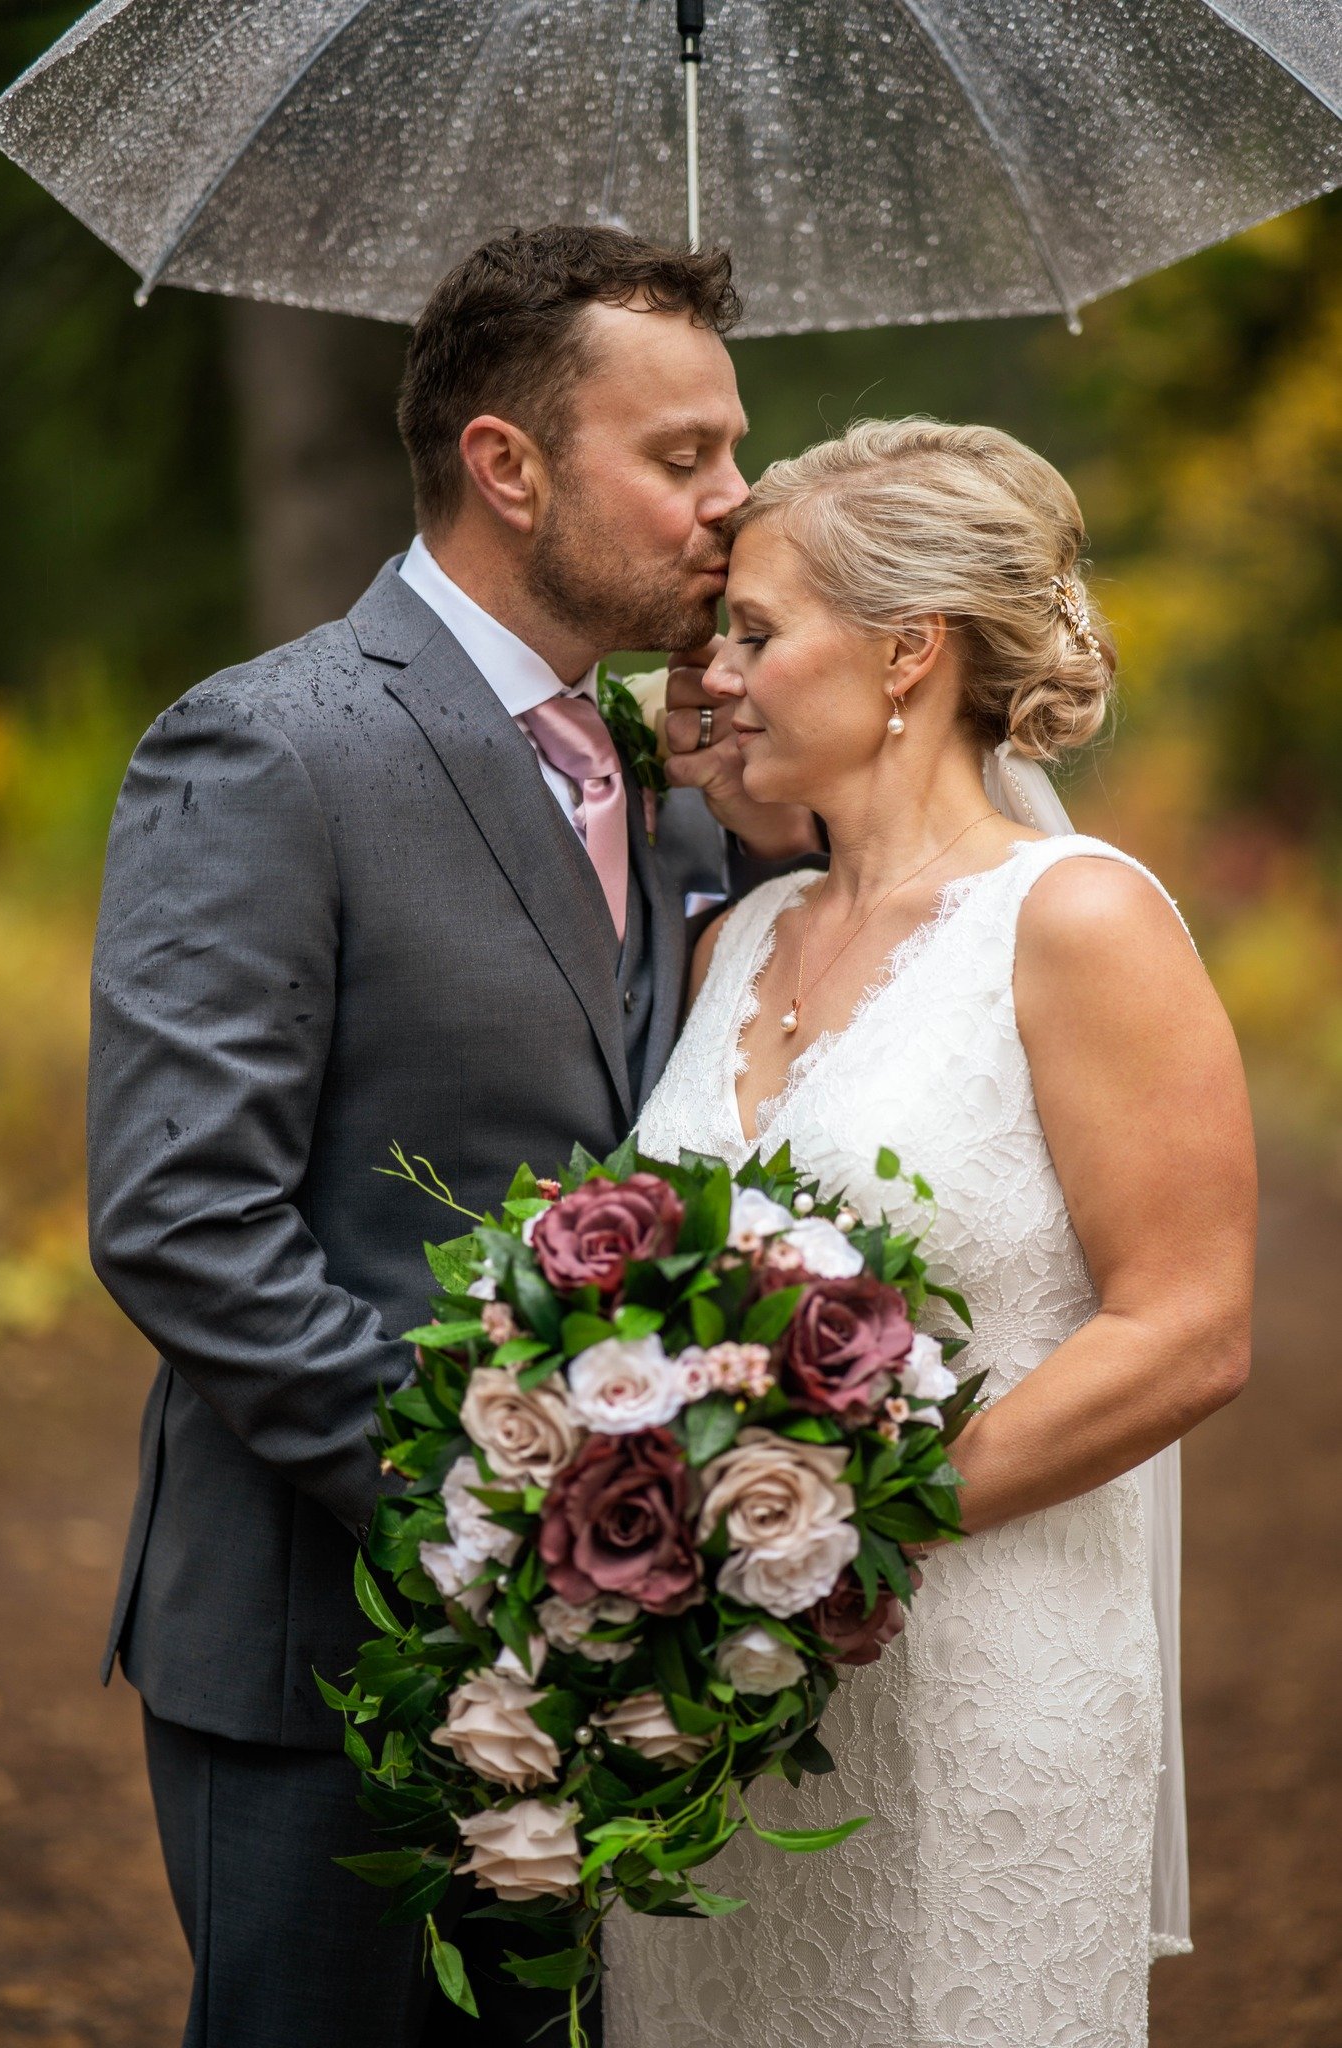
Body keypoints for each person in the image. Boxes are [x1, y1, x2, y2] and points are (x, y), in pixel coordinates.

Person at [86, 224, 817, 2048]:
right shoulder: (269, 746)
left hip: (623, 1659)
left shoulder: (660, 778)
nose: (733, 503)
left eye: (732, 451)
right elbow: (184, 1216)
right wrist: (492, 1513)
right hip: (325, 1645)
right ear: (506, 464)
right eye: (680, 458)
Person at [605, 418, 1257, 2048]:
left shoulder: (1079, 920)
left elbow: (1185, 1329)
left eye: (757, 631)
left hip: (974, 1692)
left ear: (908, 650)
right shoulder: (740, 936)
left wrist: (823, 1536)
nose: (715, 674)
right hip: (716, 1718)